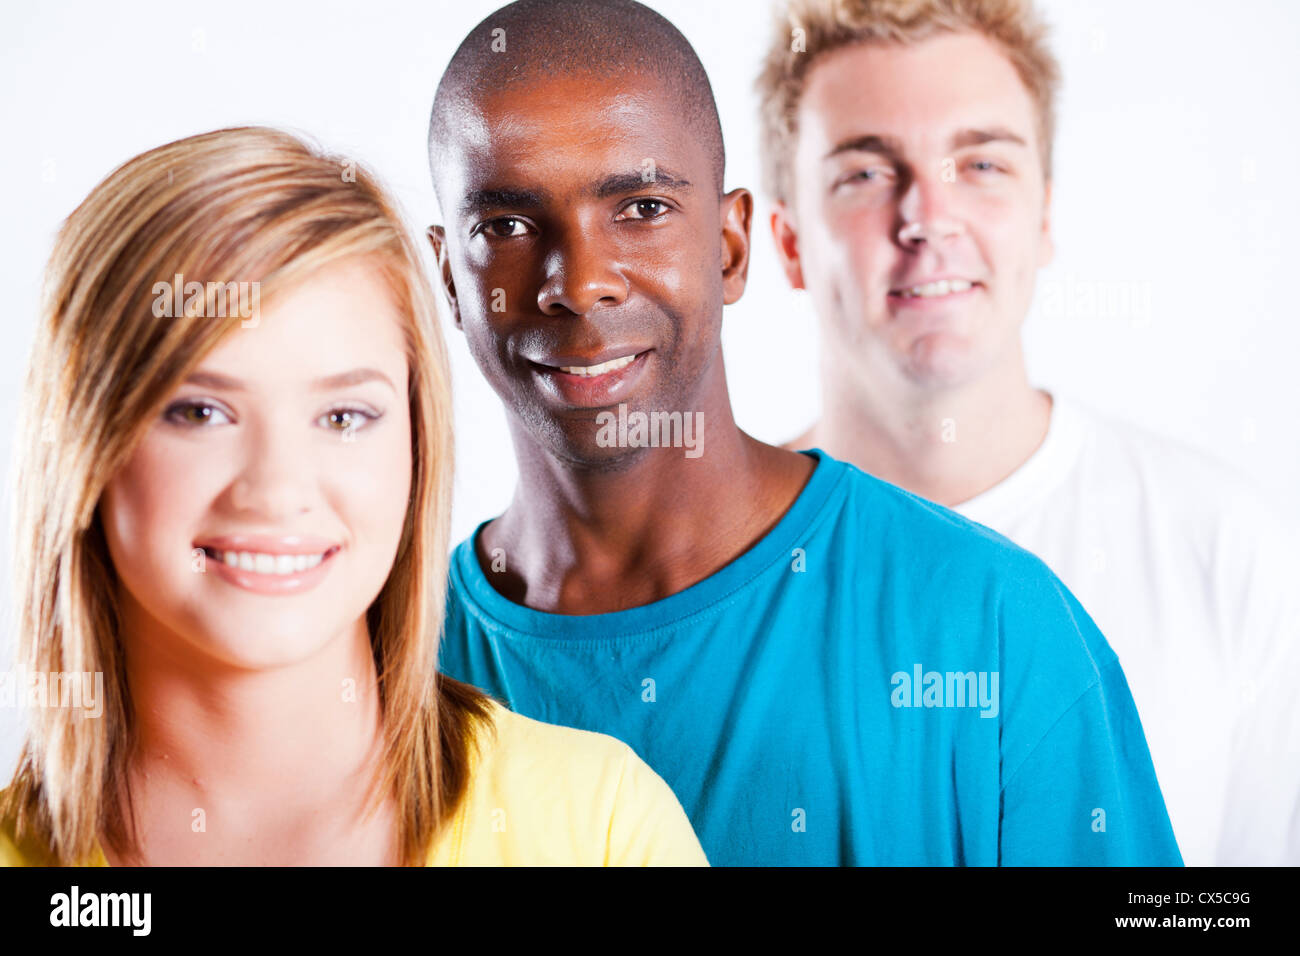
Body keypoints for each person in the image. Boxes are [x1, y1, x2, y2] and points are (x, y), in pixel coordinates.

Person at [428, 0, 1181, 866]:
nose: (581, 282)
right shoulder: (390, 665)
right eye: (507, 226)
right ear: (450, 278)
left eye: (639, 208)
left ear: (731, 243)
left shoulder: (994, 629)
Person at [0, 126, 706, 867]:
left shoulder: (599, 829)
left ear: (415, 446)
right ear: (84, 444)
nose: (276, 489)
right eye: (199, 412)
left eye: (343, 417)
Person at [757, 0, 1300, 865]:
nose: (927, 217)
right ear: (786, 240)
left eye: (981, 163)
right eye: (864, 173)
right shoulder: (709, 575)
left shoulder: (1227, 554)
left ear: (1044, 215)